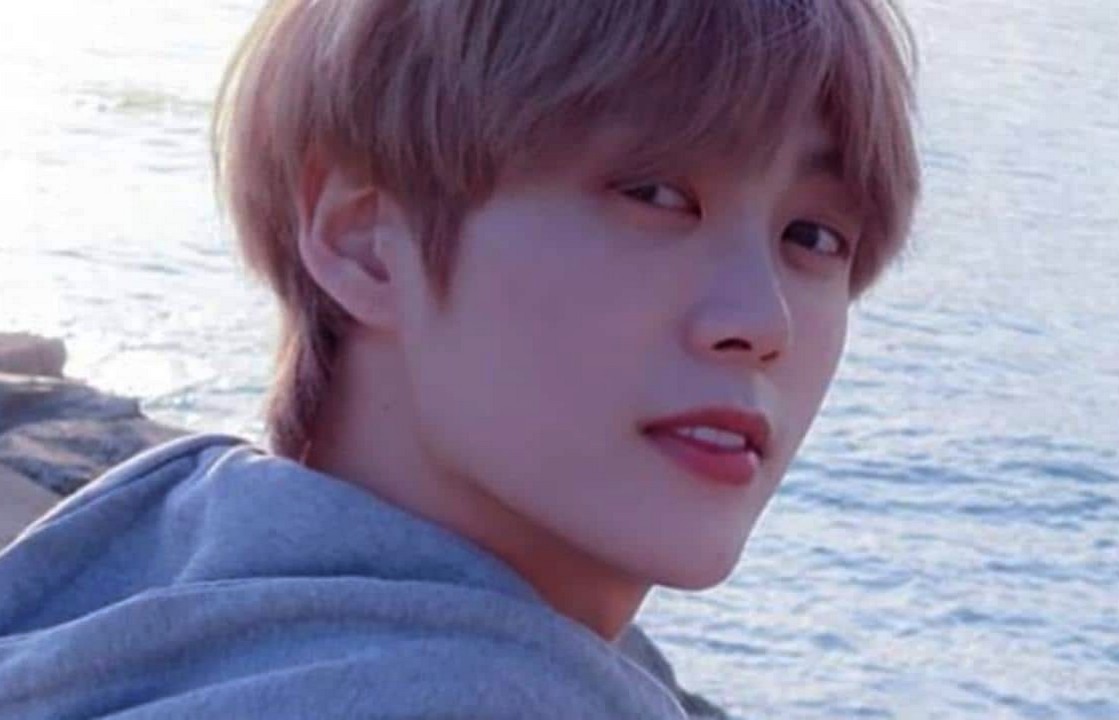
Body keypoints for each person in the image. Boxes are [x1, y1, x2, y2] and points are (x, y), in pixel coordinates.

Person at [0, 0, 920, 717]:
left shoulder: (122, 557)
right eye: (655, 194)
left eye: (813, 237)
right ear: (365, 241)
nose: (761, 321)